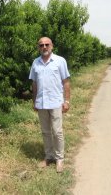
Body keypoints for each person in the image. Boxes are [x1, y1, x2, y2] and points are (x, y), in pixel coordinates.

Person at [29, 37, 71, 173]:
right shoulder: (35, 63)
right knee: (45, 131)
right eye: (41, 45)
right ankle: (49, 156)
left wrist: (67, 101)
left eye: (47, 44)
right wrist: (34, 100)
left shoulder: (60, 61)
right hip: (41, 102)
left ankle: (59, 158)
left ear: (52, 46)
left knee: (57, 131)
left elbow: (66, 82)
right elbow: (34, 84)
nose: (44, 47)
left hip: (56, 102)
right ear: (38, 48)